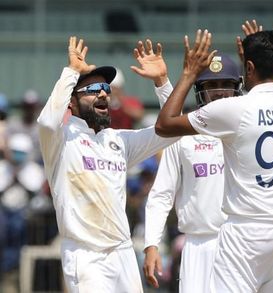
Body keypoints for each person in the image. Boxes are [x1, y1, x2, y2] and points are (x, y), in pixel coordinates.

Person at [154, 22, 273, 293]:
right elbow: (262, 102)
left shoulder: (235, 110)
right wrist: (251, 61)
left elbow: (164, 125)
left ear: (249, 68)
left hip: (248, 232)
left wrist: (190, 73)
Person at [37, 36, 179, 292]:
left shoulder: (118, 141)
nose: (103, 93)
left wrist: (162, 82)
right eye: (93, 90)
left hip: (122, 251)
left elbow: (172, 131)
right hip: (85, 255)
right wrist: (71, 72)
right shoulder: (61, 138)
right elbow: (47, 122)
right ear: (71, 101)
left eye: (106, 89)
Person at [142, 53, 241, 291]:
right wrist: (151, 244)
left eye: (226, 85)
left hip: (239, 244)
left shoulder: (247, 131)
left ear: (237, 89)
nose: (219, 92)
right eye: (211, 85)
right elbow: (162, 193)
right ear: (199, 91)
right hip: (197, 246)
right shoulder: (184, 134)